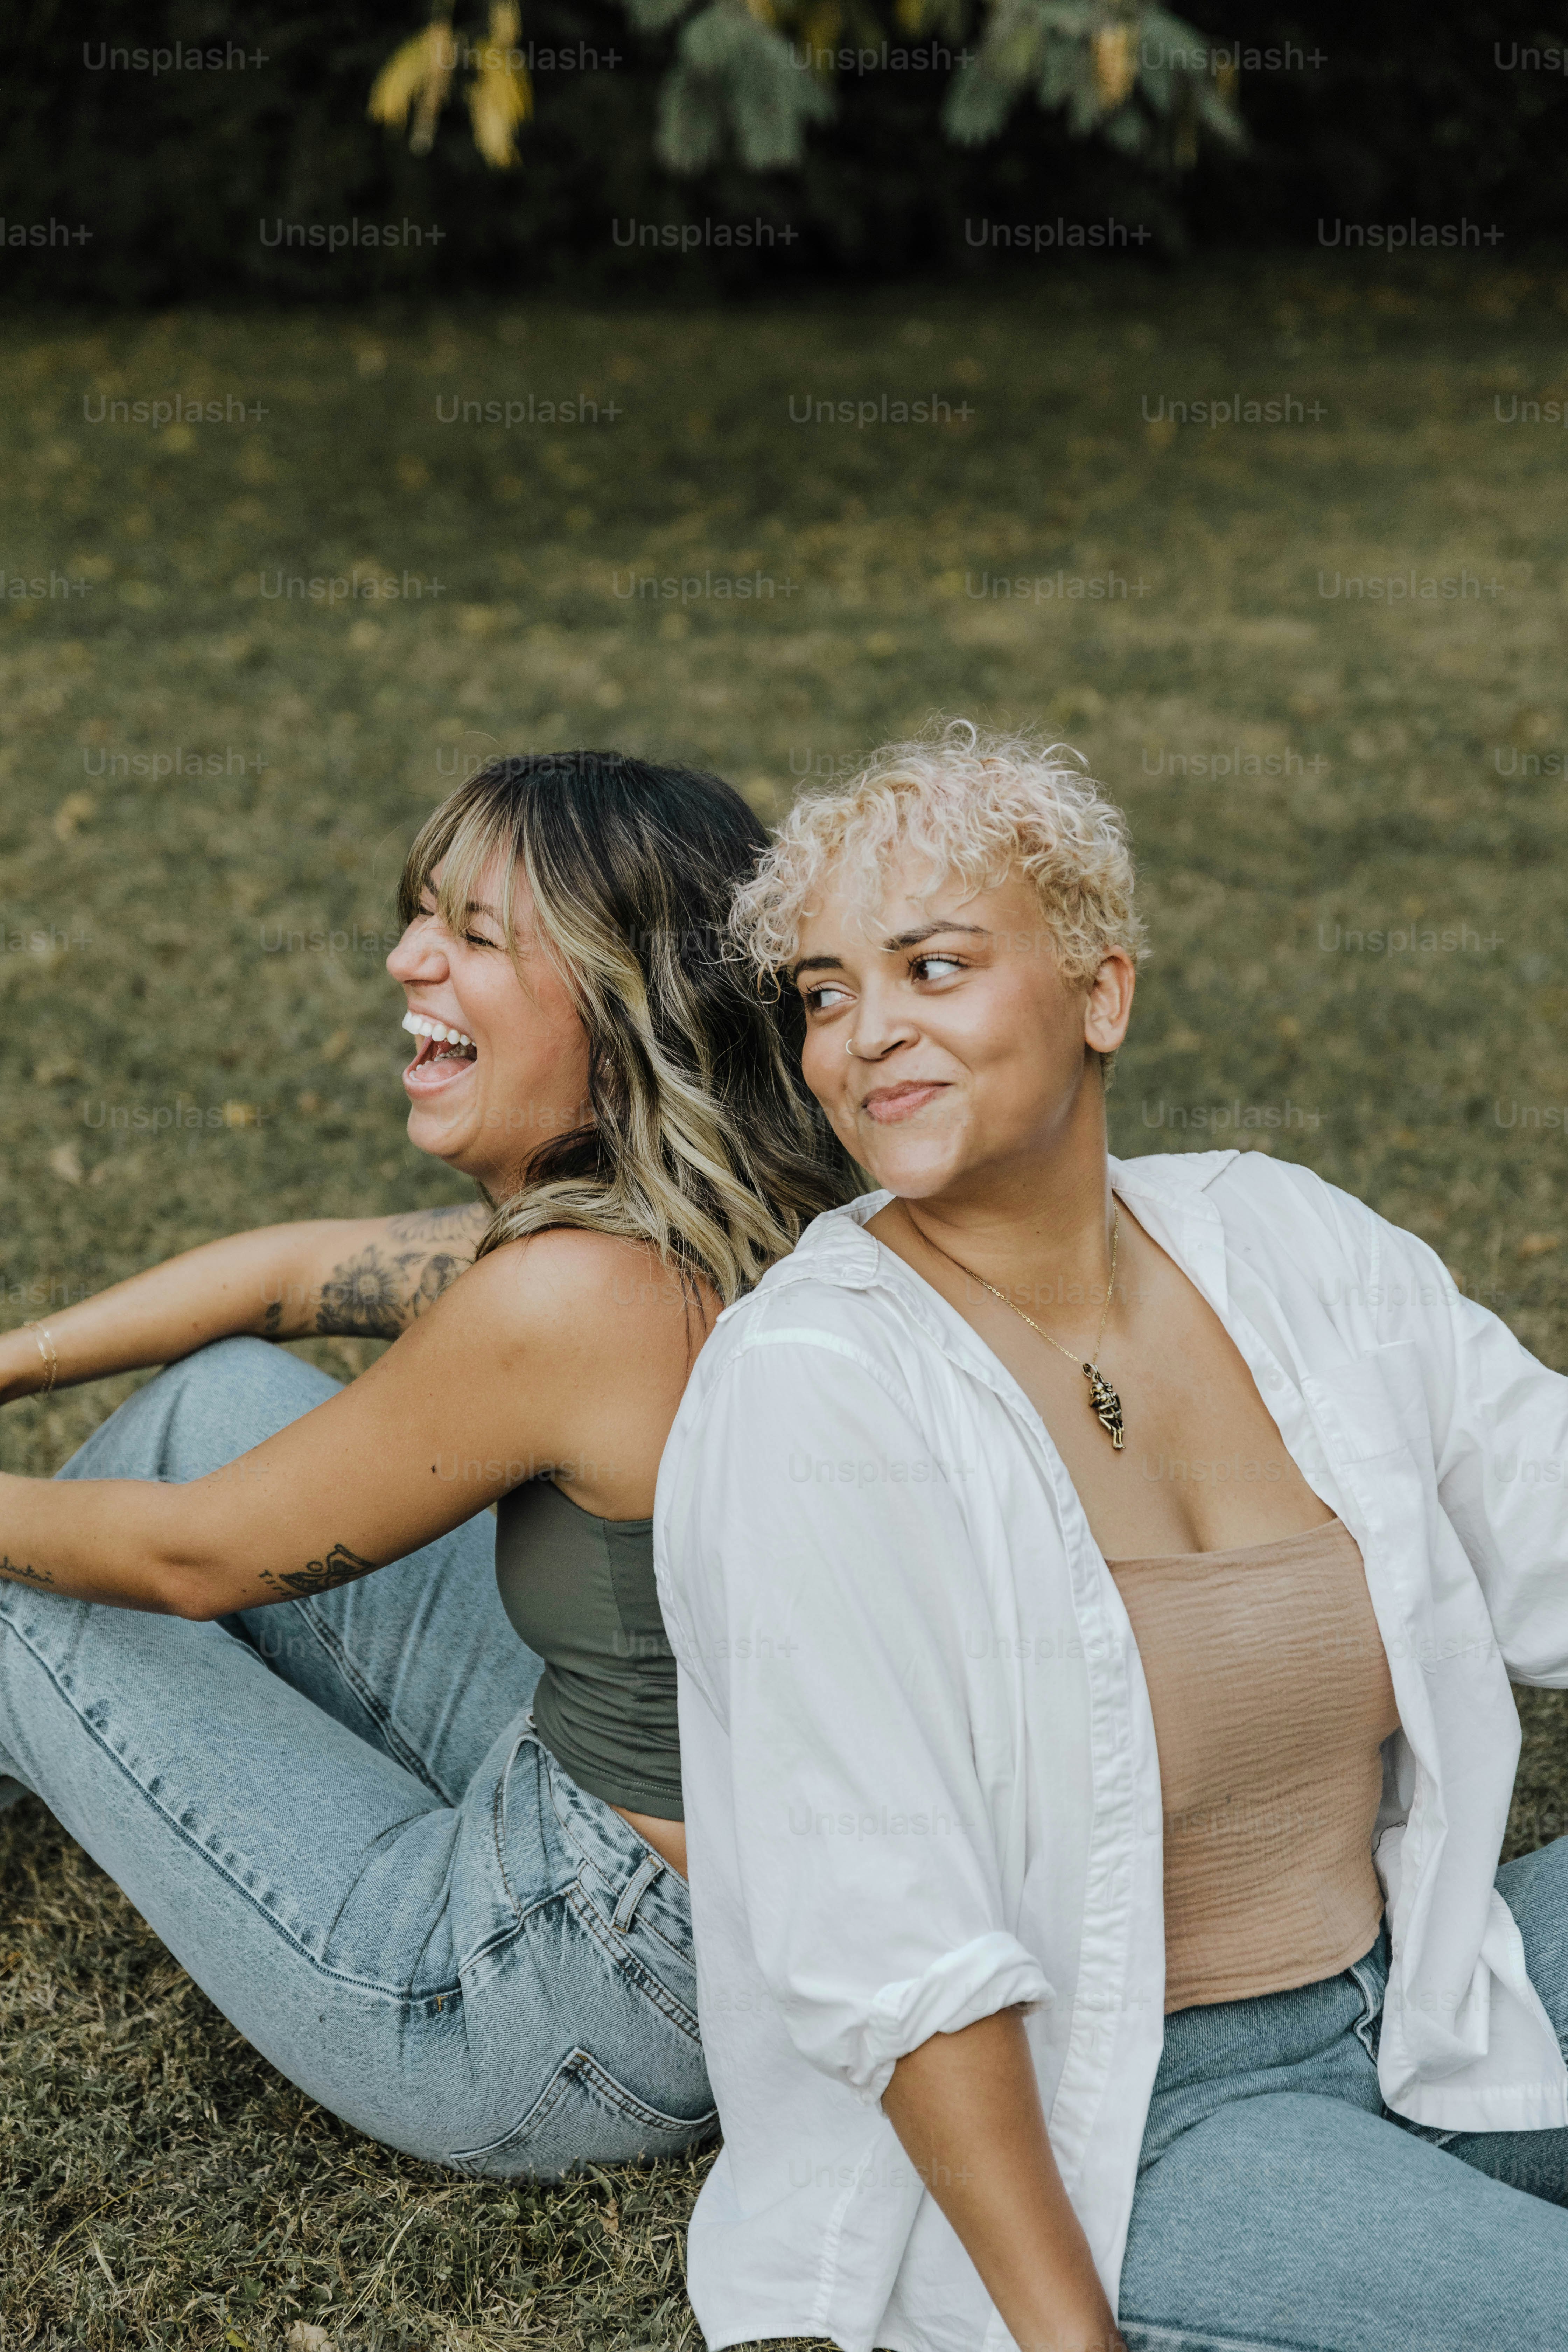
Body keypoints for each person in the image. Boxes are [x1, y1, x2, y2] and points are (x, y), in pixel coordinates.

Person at [654, 720, 1568, 2352]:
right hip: (1137, 2126)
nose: (866, 1038)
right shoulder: (814, 1390)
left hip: (1426, 1982)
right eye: (825, 994)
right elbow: (889, 1942)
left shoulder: (1282, 1240)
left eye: (931, 967)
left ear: (1101, 993)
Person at [0, 749, 852, 2180]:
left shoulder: (572, 1303)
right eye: (419, 917)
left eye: (468, 935)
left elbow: (190, 1560)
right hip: (717, 1898)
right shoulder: (730, 1213)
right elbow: (293, 1276)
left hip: (562, 2007)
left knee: (28, 1599)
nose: (403, 958)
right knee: (221, 1400)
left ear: (619, 1000)